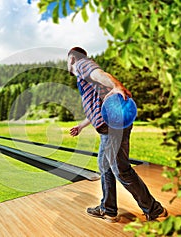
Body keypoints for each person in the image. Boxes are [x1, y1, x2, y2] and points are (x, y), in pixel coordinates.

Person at [68, 47, 168, 222]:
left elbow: (99, 73)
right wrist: (82, 125)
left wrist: (117, 86)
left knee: (120, 170)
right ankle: (108, 209)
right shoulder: (84, 80)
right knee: (105, 166)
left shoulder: (81, 64)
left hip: (112, 126)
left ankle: (154, 209)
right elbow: (96, 108)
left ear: (71, 58)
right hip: (108, 127)